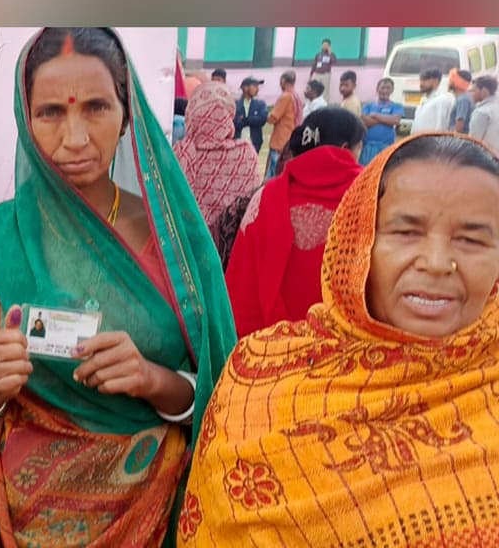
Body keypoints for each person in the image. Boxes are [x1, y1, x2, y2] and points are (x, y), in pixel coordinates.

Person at [0, 28, 237, 548]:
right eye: (50, 113)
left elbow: (223, 392)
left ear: (127, 112)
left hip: (152, 514)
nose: (74, 138)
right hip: (7, 518)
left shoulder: (176, 243)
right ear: (25, 116)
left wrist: (153, 380)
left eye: (95, 108)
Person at [179, 135, 499, 546]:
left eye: (471, 240)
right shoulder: (261, 376)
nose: (437, 264)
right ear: (356, 239)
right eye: (405, 232)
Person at [224, 108, 365, 338]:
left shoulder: (268, 195)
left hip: (267, 344)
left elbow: (241, 277)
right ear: (345, 149)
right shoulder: (371, 195)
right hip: (345, 346)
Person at [174, 82, 261, 233]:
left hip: (189, 245)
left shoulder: (181, 154)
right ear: (229, 114)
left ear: (192, 113)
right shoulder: (246, 155)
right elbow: (253, 209)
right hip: (232, 247)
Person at [266, 71, 303, 177]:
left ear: (283, 81)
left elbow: (273, 117)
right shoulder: (296, 96)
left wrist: (266, 115)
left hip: (281, 140)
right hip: (290, 138)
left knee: (274, 172)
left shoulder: (286, 96)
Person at [360, 77, 404, 164]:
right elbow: (365, 122)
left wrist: (375, 115)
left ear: (392, 91)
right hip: (368, 147)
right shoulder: (368, 106)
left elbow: (396, 120)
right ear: (377, 89)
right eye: (383, 88)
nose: (385, 91)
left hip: (386, 147)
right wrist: (387, 119)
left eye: (388, 88)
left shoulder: (397, 106)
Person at [410, 67, 454, 134]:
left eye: (425, 80)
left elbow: (441, 127)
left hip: (432, 142)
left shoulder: (442, 99)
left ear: (435, 81)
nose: (421, 83)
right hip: (417, 141)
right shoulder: (424, 99)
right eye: (421, 80)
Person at [233, 76, 269, 155]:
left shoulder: (260, 104)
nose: (257, 89)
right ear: (245, 88)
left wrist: (245, 119)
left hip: (254, 144)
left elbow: (262, 119)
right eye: (255, 86)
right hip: (237, 143)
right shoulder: (235, 104)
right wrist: (252, 120)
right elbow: (235, 123)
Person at [470, 74, 499, 150]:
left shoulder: (481, 112)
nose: (471, 94)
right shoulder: (496, 107)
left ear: (484, 91)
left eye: (474, 90)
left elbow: (473, 142)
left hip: (488, 158)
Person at [449, 67, 475, 133]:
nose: (449, 82)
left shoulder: (463, 100)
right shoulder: (464, 97)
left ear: (457, 82)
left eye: (451, 79)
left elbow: (459, 128)